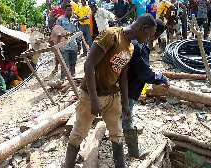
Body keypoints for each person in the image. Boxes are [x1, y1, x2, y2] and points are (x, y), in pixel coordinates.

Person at [64, 13, 157, 168]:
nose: (149, 39)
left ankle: (120, 165)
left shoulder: (131, 46)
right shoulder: (111, 35)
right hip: (91, 93)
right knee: (79, 132)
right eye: (149, 35)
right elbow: (89, 65)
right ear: (143, 28)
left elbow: (123, 77)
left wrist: (126, 103)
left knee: (117, 131)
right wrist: (94, 99)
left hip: (112, 95)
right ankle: (68, 165)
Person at [122, 19, 169, 160]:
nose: (155, 38)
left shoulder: (137, 39)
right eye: (156, 35)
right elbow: (143, 73)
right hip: (128, 86)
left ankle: (129, 128)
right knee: (126, 114)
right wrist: (162, 78)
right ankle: (133, 150)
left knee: (127, 109)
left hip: (127, 84)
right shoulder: (140, 44)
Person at [56, 4, 79, 79]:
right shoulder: (60, 20)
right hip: (64, 46)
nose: (70, 12)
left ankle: (72, 77)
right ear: (65, 11)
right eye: (68, 10)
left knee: (73, 62)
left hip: (73, 45)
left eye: (71, 11)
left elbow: (77, 31)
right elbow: (57, 32)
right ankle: (63, 78)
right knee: (64, 63)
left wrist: (78, 42)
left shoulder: (74, 21)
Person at [49, 0, 71, 75]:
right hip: (57, 33)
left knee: (67, 50)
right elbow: (50, 18)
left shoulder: (68, 9)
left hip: (67, 33)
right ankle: (56, 67)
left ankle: (67, 69)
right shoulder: (56, 9)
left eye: (69, 1)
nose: (68, 3)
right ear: (62, 1)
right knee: (57, 50)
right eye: (66, 1)